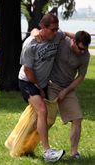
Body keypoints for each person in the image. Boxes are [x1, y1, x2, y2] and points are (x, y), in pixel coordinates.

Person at [18, 13, 65, 163]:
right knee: (42, 111)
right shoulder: (30, 43)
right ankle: (47, 152)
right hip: (28, 82)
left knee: (41, 117)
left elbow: (69, 35)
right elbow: (27, 70)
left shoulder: (56, 36)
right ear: (43, 28)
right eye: (52, 29)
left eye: (57, 29)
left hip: (42, 82)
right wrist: (39, 87)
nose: (56, 32)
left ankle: (20, 144)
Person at [48, 31, 91, 160]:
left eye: (85, 49)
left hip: (67, 88)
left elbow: (81, 76)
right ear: (73, 41)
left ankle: (74, 153)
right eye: (81, 48)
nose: (83, 52)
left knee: (77, 118)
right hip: (51, 85)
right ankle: (37, 147)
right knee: (48, 120)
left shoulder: (85, 55)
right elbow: (51, 30)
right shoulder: (61, 42)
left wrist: (65, 91)